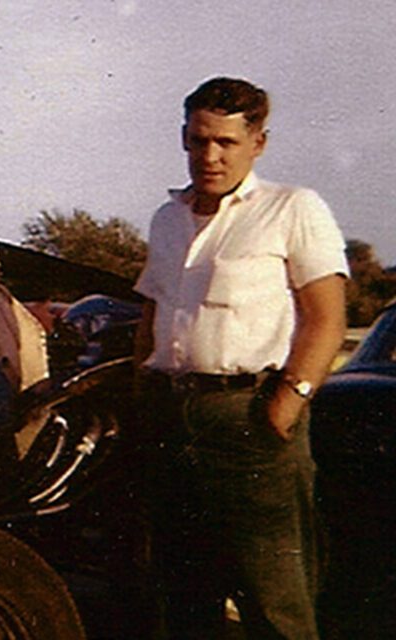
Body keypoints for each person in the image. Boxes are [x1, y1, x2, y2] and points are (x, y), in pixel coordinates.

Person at [133, 77, 348, 639]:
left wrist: (286, 403)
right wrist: (141, 394)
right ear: (184, 137)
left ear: (258, 143)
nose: (210, 155)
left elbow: (327, 317)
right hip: (171, 419)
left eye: (226, 143)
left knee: (275, 600)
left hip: (249, 419)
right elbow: (152, 313)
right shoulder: (166, 219)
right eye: (200, 140)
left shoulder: (292, 208)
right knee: (181, 594)